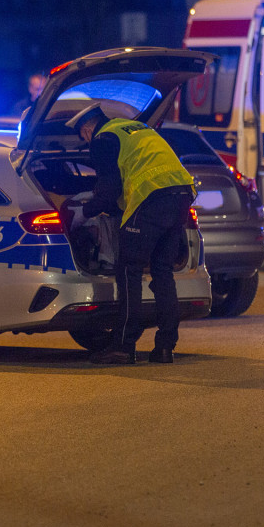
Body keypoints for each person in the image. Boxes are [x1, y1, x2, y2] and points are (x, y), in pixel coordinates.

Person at [66, 103, 196, 365]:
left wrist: (84, 213)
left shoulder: (103, 139)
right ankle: (165, 347)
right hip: (181, 195)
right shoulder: (137, 128)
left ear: (89, 129)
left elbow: (109, 190)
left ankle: (123, 346)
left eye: (83, 136)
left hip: (151, 199)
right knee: (162, 271)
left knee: (128, 270)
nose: (86, 141)